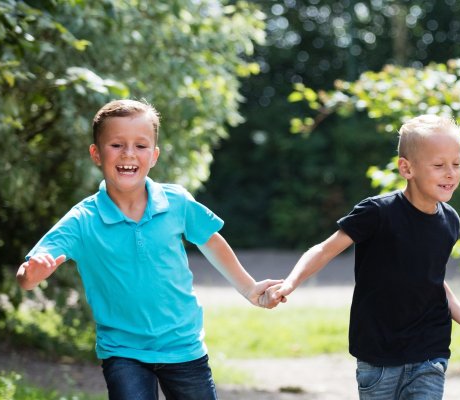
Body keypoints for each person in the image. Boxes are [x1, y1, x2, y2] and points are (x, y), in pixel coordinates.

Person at [16, 99, 282, 400]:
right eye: (116, 144)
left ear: (153, 156)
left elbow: (210, 240)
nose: (129, 153)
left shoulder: (177, 202)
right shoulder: (82, 219)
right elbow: (28, 274)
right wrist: (32, 275)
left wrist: (249, 288)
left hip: (183, 346)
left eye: (140, 146)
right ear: (96, 154)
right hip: (123, 350)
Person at [264, 114, 460, 399]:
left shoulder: (450, 221)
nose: (451, 173)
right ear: (406, 168)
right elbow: (325, 249)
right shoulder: (377, 212)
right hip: (378, 356)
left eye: (456, 164)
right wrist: (290, 283)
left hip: (429, 352)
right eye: (438, 165)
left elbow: (433, 283)